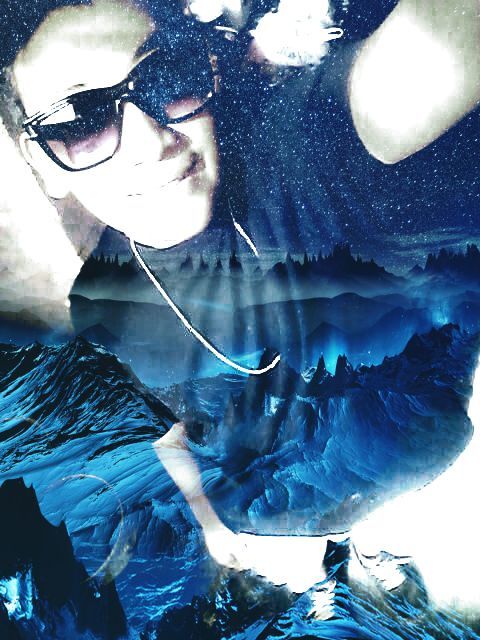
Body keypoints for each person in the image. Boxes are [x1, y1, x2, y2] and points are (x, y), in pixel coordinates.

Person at [1, 0, 479, 610]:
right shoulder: (98, 297)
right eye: (80, 119)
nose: (152, 143)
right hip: (276, 521)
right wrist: (209, 522)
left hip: (410, 479)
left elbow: (430, 57)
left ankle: (370, 556)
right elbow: (172, 431)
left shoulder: (299, 150)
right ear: (42, 163)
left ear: (206, 70)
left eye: (165, 76)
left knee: (382, 549)